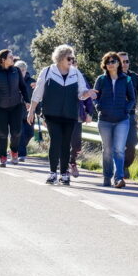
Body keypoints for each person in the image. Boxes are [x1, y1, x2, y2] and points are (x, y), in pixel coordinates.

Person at [28, 45, 96, 185]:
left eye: (73, 58)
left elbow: (81, 93)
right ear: (60, 58)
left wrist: (87, 94)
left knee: (66, 144)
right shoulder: (47, 71)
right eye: (68, 58)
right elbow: (38, 92)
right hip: (51, 114)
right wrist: (31, 110)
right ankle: (53, 173)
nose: (71, 61)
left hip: (70, 115)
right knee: (56, 141)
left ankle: (64, 174)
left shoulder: (76, 73)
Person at [94, 52, 136, 187]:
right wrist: (98, 107)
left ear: (118, 63)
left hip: (122, 120)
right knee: (107, 150)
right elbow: (94, 97)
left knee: (119, 149)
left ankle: (118, 178)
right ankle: (107, 176)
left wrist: (126, 110)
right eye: (108, 62)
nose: (111, 64)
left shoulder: (127, 79)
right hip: (104, 120)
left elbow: (132, 99)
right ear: (105, 65)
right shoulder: (101, 79)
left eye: (113, 61)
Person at [0, 49, 30, 167]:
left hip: (16, 106)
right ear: (3, 60)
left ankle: (14, 151)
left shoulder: (16, 71)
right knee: (3, 133)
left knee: (17, 132)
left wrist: (27, 101)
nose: (12, 58)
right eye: (10, 57)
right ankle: (2, 156)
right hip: (0, 108)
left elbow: (23, 87)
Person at [119, 52, 138, 173]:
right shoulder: (111, 76)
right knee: (115, 144)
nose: (125, 64)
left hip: (130, 116)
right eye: (122, 61)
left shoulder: (135, 77)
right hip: (114, 115)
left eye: (127, 61)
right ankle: (117, 169)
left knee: (131, 143)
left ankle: (125, 166)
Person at [16, 60, 35, 162]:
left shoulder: (32, 81)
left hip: (29, 112)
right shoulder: (13, 80)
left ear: (26, 70)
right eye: (19, 70)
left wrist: (39, 111)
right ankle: (21, 154)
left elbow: (36, 96)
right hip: (16, 112)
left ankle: (17, 148)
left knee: (30, 133)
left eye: (23, 70)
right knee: (21, 133)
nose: (22, 72)